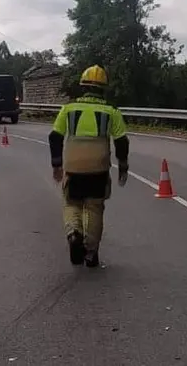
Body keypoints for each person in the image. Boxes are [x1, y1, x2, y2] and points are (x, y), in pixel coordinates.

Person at [48, 64, 129, 268]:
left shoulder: (69, 109)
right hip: (98, 168)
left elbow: (54, 137)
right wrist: (123, 166)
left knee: (71, 202)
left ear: (83, 87)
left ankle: (73, 233)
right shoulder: (111, 111)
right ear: (103, 88)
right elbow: (121, 141)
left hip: (74, 168)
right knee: (94, 207)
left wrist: (57, 164)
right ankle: (91, 252)